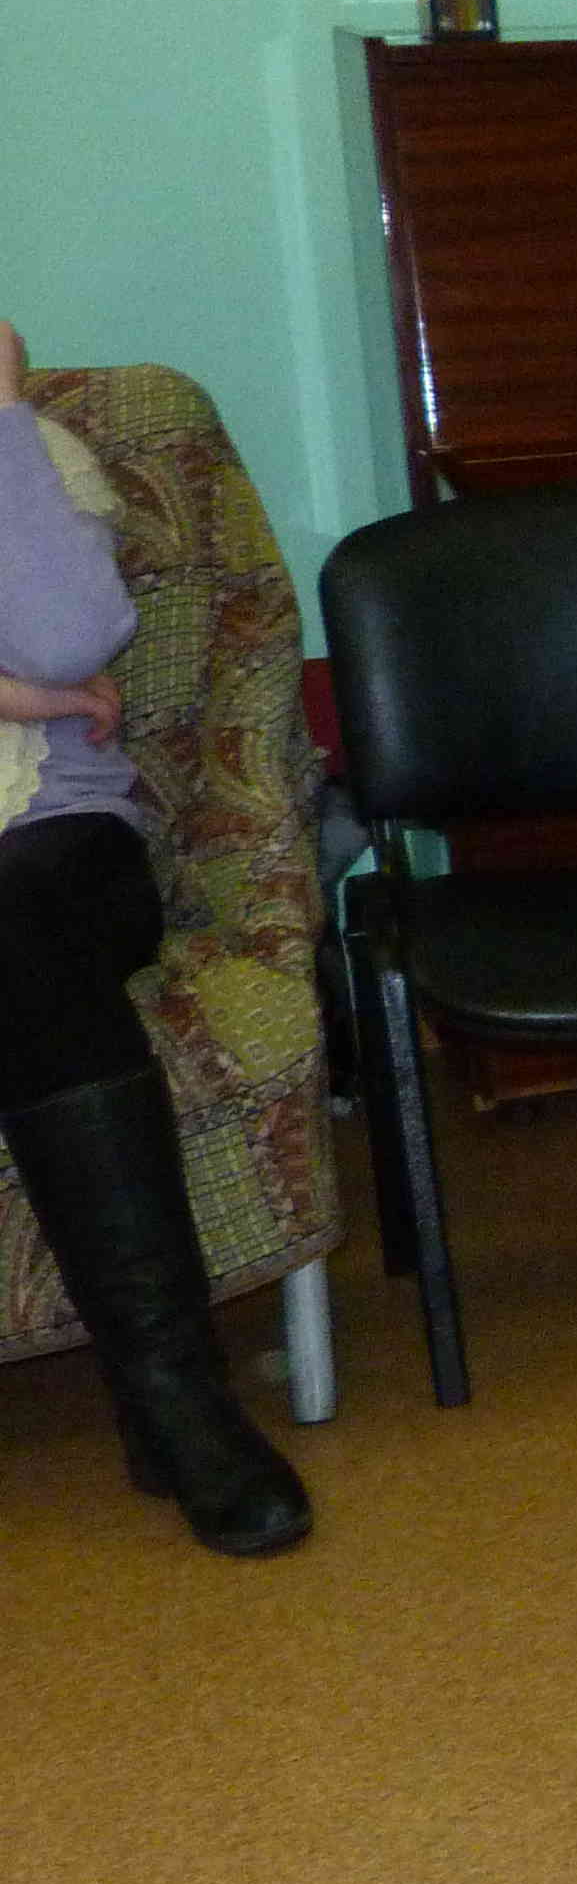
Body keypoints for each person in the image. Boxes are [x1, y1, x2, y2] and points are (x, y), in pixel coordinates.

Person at [0, 316, 312, 1556]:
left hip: (55, 845)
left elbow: (69, 640)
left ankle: (176, 1393)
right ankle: (159, 1399)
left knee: (13, 911)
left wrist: (0, 422)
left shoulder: (47, 458)